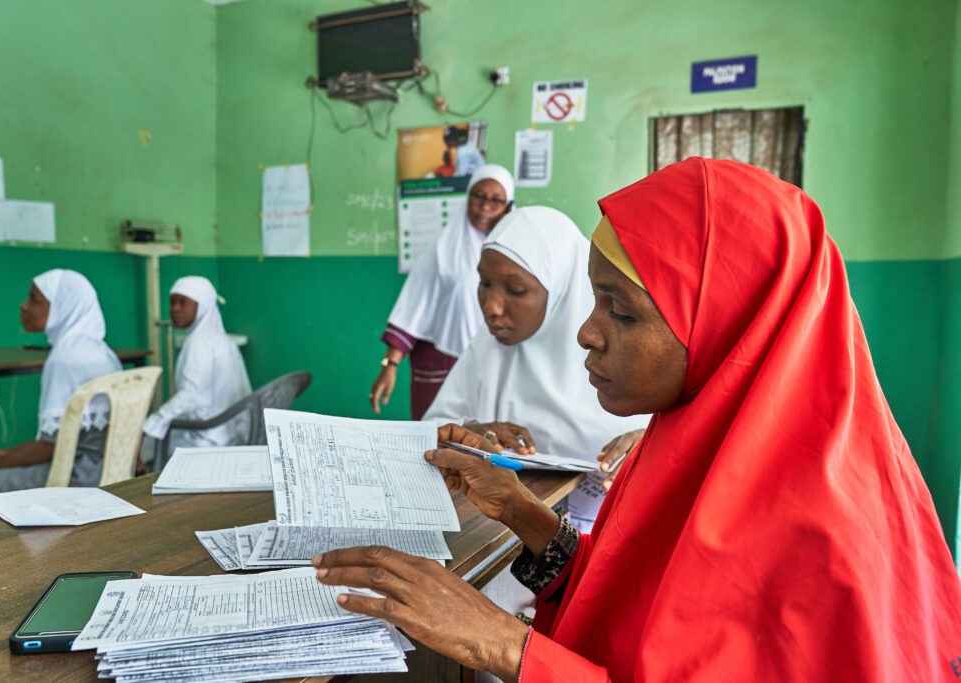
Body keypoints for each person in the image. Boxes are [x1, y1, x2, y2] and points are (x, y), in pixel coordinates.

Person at [315, 158, 961, 681]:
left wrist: (505, 644)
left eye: (620, 311)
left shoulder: (822, 533)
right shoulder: (697, 438)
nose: (587, 334)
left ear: (726, 321)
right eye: (594, 300)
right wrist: (523, 512)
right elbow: (648, 607)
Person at [423, 206, 650, 531]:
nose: (491, 307)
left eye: (515, 290)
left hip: (604, 537)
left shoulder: (629, 350)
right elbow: (429, 434)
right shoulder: (487, 348)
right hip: (494, 535)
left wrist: (652, 444)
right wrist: (469, 433)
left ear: (559, 289)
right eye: (484, 283)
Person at [0, 269, 122, 528]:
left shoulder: (65, 358)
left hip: (72, 477)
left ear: (63, 307)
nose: (24, 306)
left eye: (35, 300)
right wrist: (4, 454)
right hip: (105, 470)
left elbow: (49, 447)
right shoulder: (102, 351)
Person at [371, 164, 515, 419]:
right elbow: (413, 307)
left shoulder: (515, 253)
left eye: (496, 201)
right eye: (478, 197)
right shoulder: (442, 249)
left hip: (494, 363)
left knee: (483, 445)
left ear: (509, 207)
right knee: (436, 441)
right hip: (441, 364)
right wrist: (390, 365)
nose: (484, 207)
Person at [142, 276, 251, 454]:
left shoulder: (198, 343)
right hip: (233, 434)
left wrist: (151, 423)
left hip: (206, 437)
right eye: (172, 302)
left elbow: (189, 396)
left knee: (140, 445)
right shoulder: (222, 340)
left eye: (183, 303)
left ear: (203, 306)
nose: (175, 309)